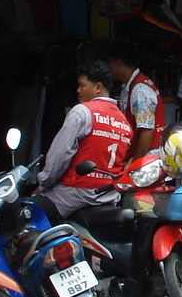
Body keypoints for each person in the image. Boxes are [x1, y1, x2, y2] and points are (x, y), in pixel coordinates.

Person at [39, 60, 133, 220]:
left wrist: (43, 184)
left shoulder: (82, 112)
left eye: (82, 85)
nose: (78, 90)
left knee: (29, 211)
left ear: (97, 87)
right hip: (108, 196)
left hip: (76, 193)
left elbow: (60, 155)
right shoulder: (124, 122)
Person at [108, 41, 164, 156]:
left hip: (149, 157)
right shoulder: (131, 86)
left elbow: (147, 130)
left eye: (110, 64)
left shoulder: (140, 90)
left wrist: (136, 162)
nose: (110, 70)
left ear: (118, 63)